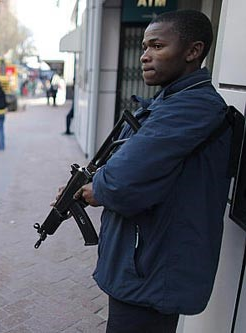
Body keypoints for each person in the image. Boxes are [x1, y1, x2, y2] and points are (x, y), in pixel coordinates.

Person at [74, 10, 232, 332]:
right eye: (144, 47)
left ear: (193, 51)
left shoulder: (192, 107)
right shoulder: (169, 102)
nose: (145, 56)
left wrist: (95, 189)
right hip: (144, 265)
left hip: (153, 272)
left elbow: (121, 181)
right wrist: (89, 180)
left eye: (157, 46)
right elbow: (125, 161)